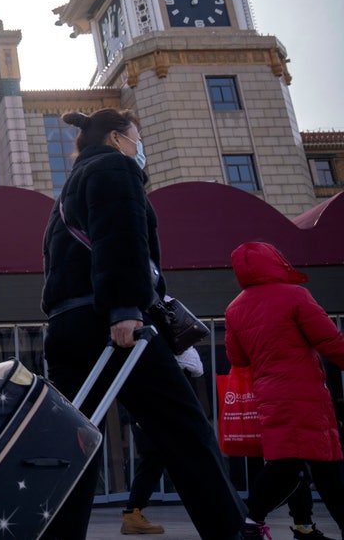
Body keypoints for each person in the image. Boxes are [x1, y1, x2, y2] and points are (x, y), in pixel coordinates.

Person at [39, 108, 245, 540]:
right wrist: (126, 309)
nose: (140, 145)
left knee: (77, 442)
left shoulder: (69, 189)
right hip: (113, 325)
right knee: (186, 432)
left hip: (66, 327)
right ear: (117, 138)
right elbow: (122, 238)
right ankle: (231, 531)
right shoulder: (116, 167)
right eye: (137, 136)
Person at [225, 241, 344, 539]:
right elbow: (329, 341)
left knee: (293, 463)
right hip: (305, 395)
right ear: (276, 261)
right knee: (319, 466)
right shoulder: (295, 295)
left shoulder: (234, 308)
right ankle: (248, 521)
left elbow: (238, 359)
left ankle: (300, 527)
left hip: (269, 394)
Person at [120, 346, 204, 535]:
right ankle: (132, 514)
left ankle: (133, 513)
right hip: (154, 413)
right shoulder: (160, 349)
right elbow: (196, 366)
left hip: (149, 412)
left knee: (154, 462)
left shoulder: (147, 349)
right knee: (158, 461)